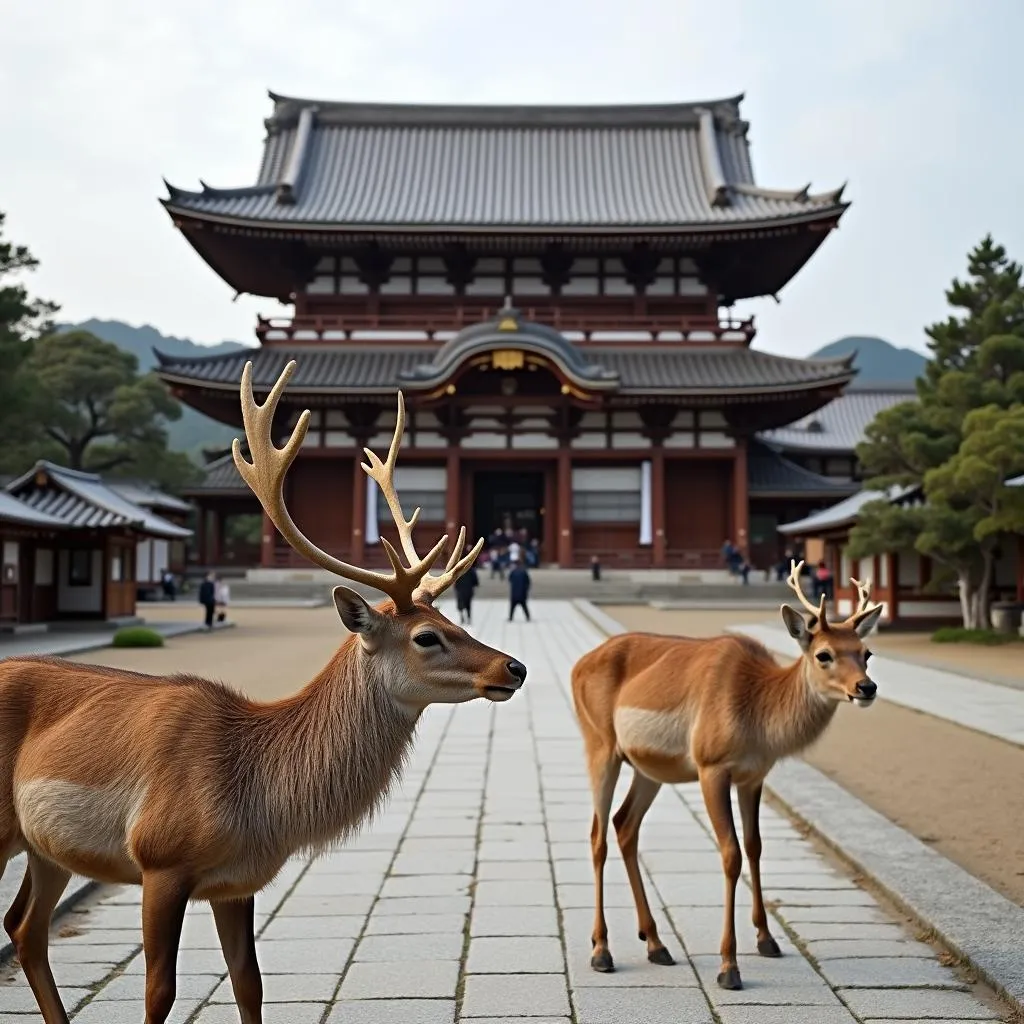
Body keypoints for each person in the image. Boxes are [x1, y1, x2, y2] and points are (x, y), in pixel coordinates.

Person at [508, 558, 531, 622]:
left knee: (512, 607)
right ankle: (528, 617)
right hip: (522, 592)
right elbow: (528, 582)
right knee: (524, 606)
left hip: (514, 592)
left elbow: (509, 579)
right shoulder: (524, 572)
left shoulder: (513, 572)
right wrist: (526, 589)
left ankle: (510, 617)